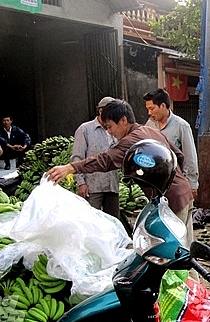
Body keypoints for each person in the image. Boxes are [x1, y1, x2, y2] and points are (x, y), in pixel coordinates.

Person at [46, 100, 195, 249]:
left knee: (172, 249)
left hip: (170, 200)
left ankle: (184, 273)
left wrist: (71, 167)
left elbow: (105, 160)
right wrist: (178, 182)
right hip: (183, 192)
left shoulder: (130, 141)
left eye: (110, 126)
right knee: (186, 244)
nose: (109, 132)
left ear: (124, 120)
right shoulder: (150, 131)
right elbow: (178, 155)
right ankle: (192, 273)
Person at [143, 88, 199, 198]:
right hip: (154, 184)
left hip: (175, 184)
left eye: (152, 108)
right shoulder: (149, 125)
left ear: (163, 106)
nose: (149, 113)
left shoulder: (181, 126)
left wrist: (192, 185)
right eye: (148, 109)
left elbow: (190, 157)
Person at [71, 97, 121, 218]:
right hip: (93, 187)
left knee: (113, 221)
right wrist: (81, 183)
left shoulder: (116, 129)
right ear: (101, 111)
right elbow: (77, 157)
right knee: (92, 221)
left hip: (112, 185)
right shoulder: (85, 129)